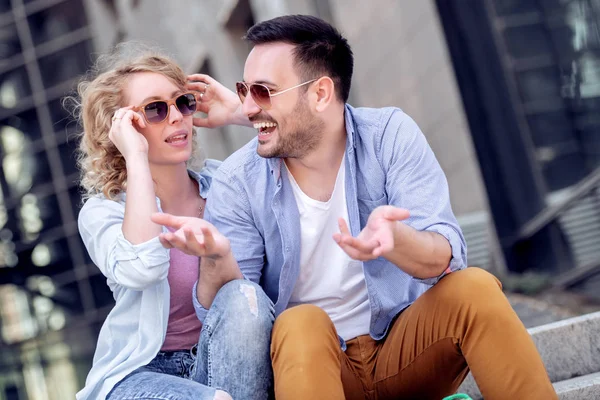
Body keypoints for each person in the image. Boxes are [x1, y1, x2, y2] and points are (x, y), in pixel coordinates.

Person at [154, 15, 558, 400]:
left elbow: (446, 255)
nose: (249, 107)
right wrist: (215, 258)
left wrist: (398, 240)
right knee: (299, 322)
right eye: (243, 91)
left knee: (474, 288)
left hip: (407, 352)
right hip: (313, 369)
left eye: (262, 91)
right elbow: (226, 320)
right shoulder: (239, 180)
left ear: (320, 93)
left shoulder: (388, 136)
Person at [70, 44, 273, 400]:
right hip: (144, 374)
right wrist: (134, 155)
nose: (177, 117)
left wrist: (243, 114)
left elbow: (309, 144)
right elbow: (142, 269)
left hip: (225, 358)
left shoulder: (227, 183)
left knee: (244, 296)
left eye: (182, 102)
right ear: (123, 126)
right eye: (155, 110)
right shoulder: (102, 213)